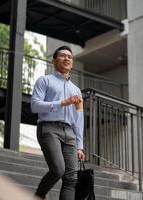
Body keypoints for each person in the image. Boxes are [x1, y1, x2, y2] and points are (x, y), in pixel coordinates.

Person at [31, 46, 85, 200]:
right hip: (49, 129)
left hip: (70, 134)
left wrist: (80, 145)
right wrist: (62, 102)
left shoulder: (76, 90)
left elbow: (78, 119)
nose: (67, 58)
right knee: (58, 169)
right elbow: (35, 105)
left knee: (71, 179)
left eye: (70, 57)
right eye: (62, 55)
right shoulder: (45, 81)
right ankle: (39, 195)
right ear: (54, 60)